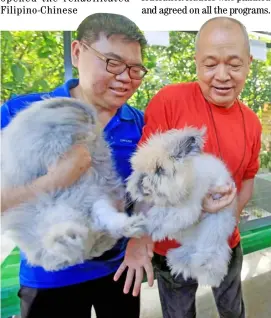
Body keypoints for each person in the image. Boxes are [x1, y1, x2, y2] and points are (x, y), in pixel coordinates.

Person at [1, 13, 237, 318]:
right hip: (49, 278)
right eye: (112, 62)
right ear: (77, 51)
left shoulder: (141, 125)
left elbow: (154, 200)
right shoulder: (25, 113)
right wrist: (52, 182)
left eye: (135, 69)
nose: (126, 77)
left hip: (121, 271)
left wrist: (197, 205)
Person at [114, 17, 262, 318]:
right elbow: (147, 177)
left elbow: (247, 179)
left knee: (233, 310)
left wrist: (223, 225)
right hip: (171, 244)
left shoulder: (253, 122)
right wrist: (140, 237)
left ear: (248, 62)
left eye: (234, 64)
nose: (222, 76)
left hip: (225, 241)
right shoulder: (169, 101)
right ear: (196, 61)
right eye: (210, 64)